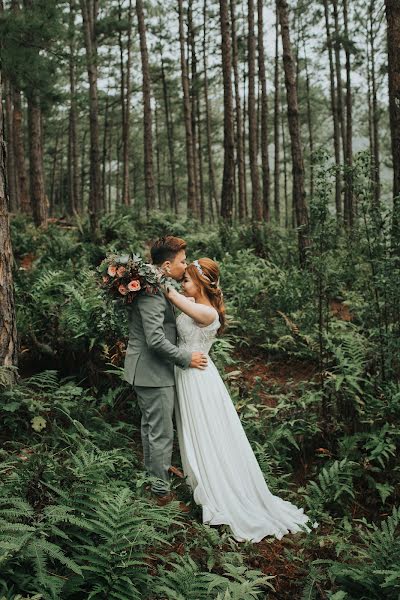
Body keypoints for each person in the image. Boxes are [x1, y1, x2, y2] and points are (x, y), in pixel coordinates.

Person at [162, 257, 311, 542]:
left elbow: (170, 295)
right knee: (196, 431)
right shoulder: (192, 301)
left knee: (207, 433)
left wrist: (157, 278)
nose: (183, 284)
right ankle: (200, 478)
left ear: (203, 283)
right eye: (184, 280)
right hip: (187, 372)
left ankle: (219, 486)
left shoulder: (208, 314)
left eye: (187, 279)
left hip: (198, 379)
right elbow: (174, 298)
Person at [123, 236, 208, 501]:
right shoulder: (151, 293)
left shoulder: (159, 287)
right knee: (160, 432)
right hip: (152, 372)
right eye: (183, 262)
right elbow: (155, 340)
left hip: (150, 370)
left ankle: (153, 479)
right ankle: (159, 492)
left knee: (152, 428)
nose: (186, 266)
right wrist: (186, 358)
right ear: (168, 265)